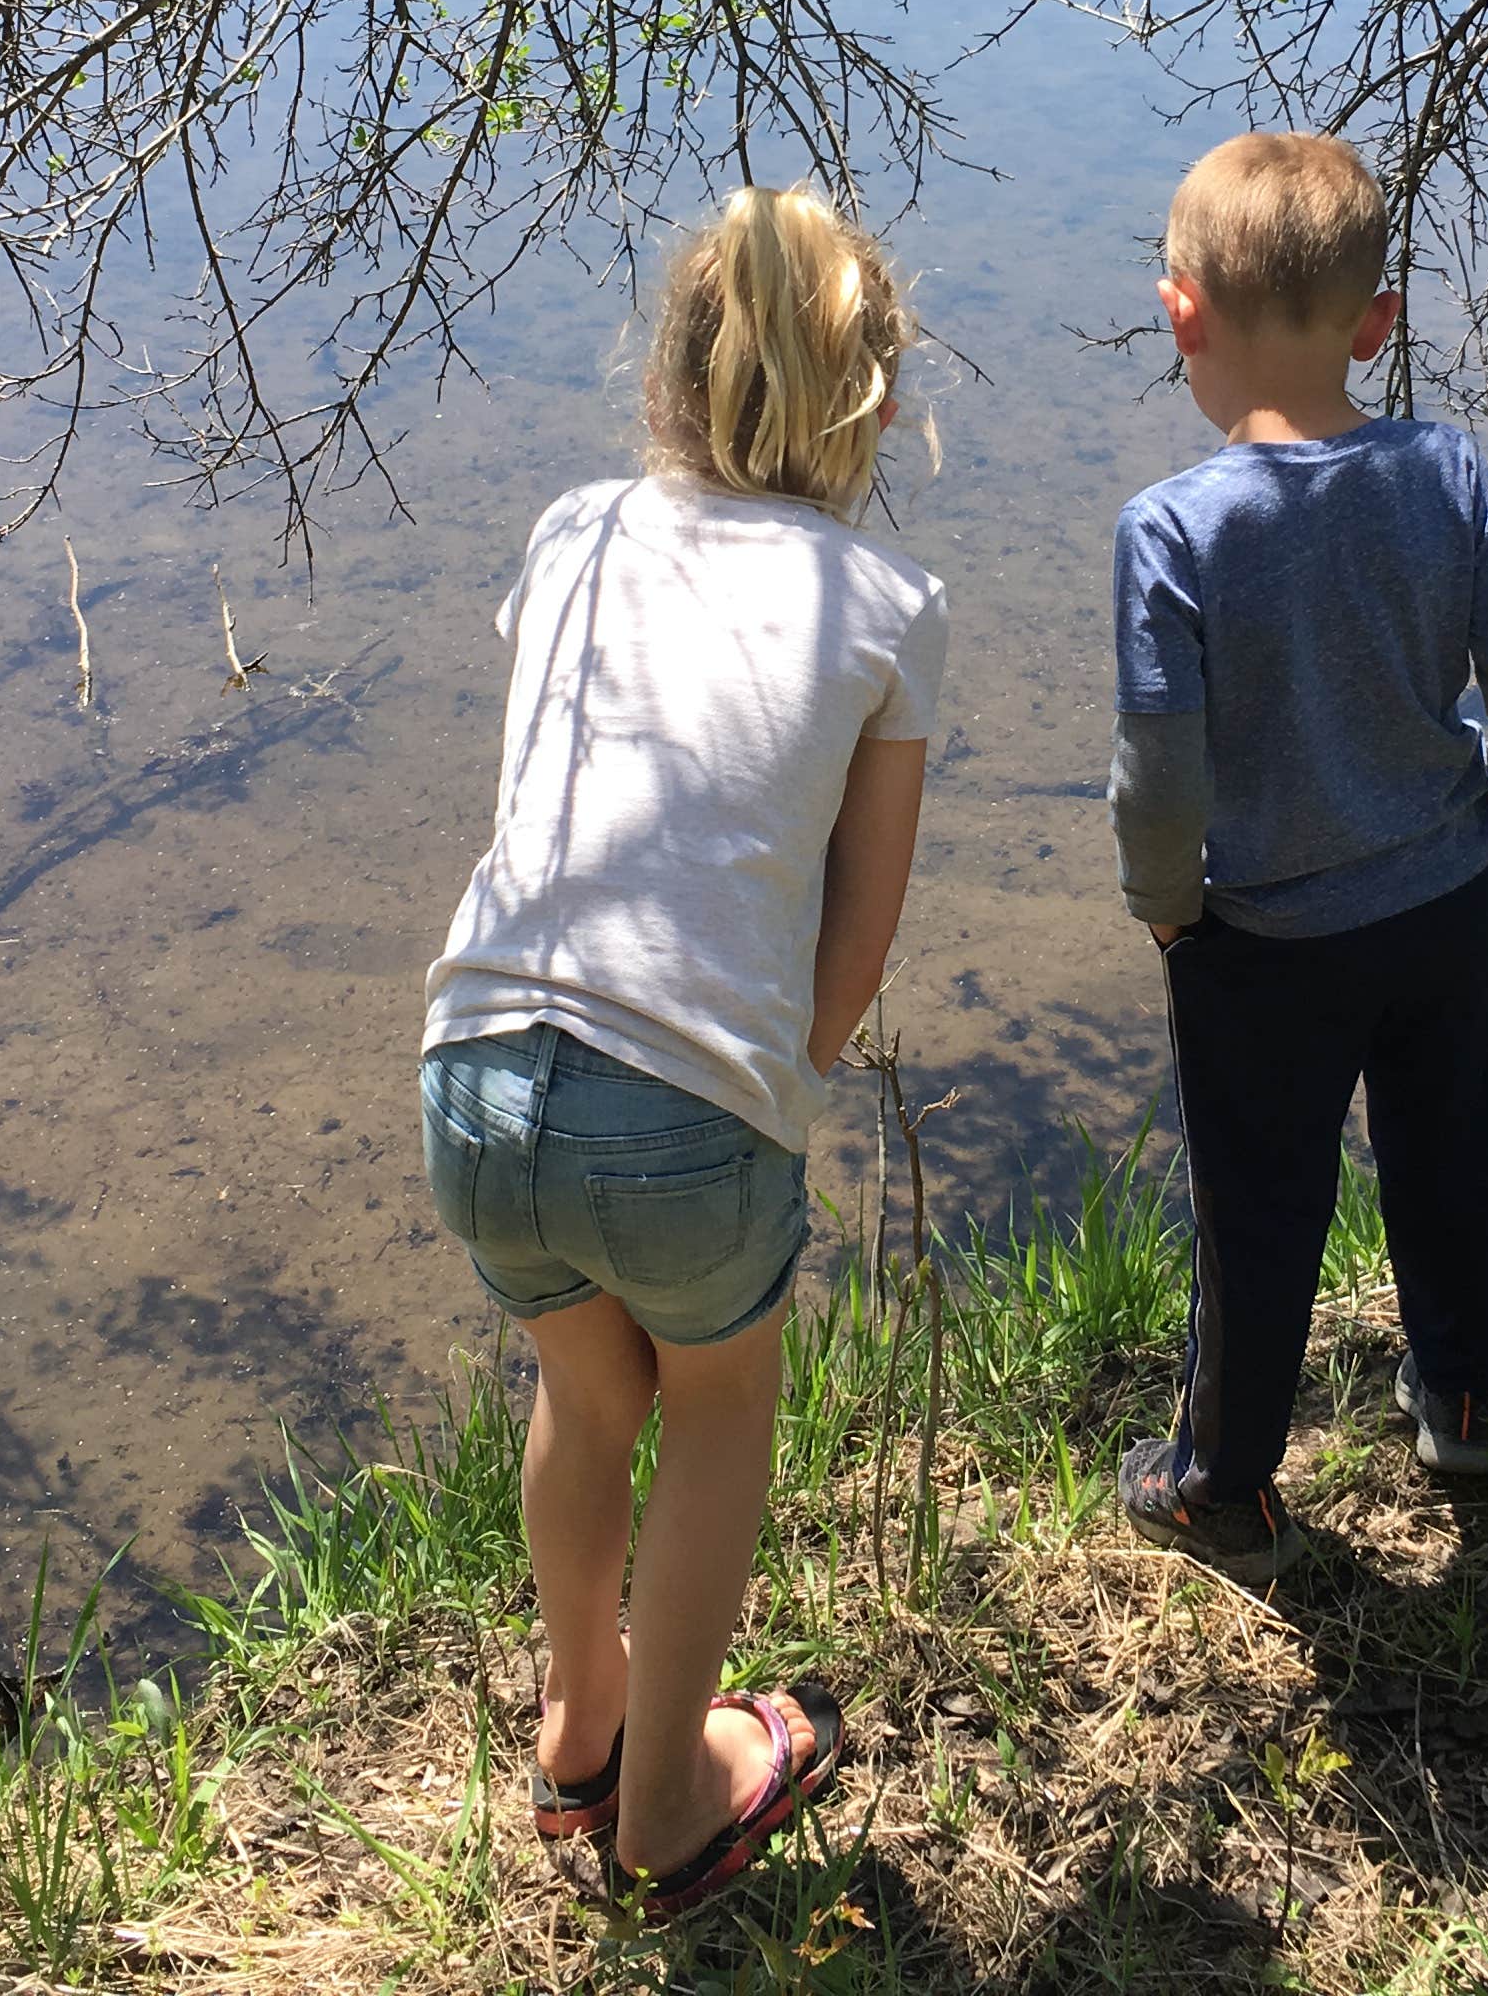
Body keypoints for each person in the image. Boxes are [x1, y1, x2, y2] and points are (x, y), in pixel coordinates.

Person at [418, 185, 944, 1916]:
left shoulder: (573, 532)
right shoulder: (885, 602)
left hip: (476, 1059)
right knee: (719, 1412)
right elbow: (846, 954)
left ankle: (577, 1715)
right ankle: (669, 1798)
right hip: (682, 1101)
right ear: (871, 406)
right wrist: (758, 1082)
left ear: (671, 368)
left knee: (588, 1389)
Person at [1106, 132, 1488, 1572]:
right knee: (1451, 1163)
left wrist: (1168, 907)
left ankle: (1225, 1482)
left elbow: (1157, 774)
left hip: (1259, 944)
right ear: (1379, 324)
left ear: (1181, 313)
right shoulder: (1444, 471)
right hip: (1444, 903)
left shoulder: (1172, 531)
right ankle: (1463, 1402)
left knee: (1258, 1208)